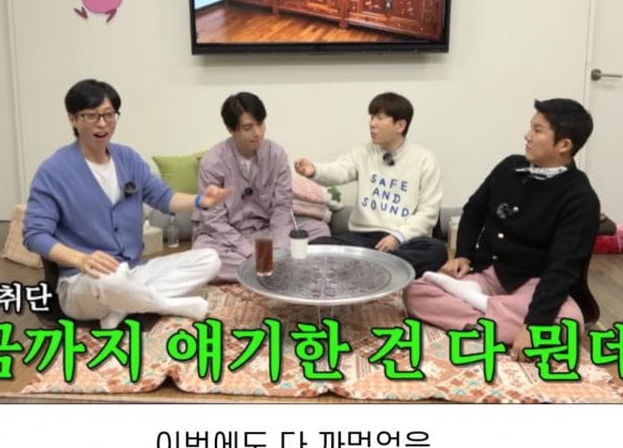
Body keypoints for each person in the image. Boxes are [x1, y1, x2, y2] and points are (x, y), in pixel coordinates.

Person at [23, 79, 230, 328]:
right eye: (92, 116)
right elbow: (34, 235)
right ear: (73, 119)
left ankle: (121, 307)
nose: (102, 123)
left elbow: (164, 198)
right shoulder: (53, 171)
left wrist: (200, 200)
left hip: (133, 269)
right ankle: (169, 304)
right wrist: (80, 259)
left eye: (109, 114)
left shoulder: (128, 158)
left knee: (210, 259)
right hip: (83, 281)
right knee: (111, 281)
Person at [404, 97, 600, 357]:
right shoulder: (510, 166)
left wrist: (534, 325)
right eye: (530, 127)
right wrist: (463, 254)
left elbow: (562, 269)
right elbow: (473, 210)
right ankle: (496, 320)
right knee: (415, 291)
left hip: (532, 283)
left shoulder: (580, 197)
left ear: (564, 145)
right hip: (487, 272)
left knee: (569, 323)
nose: (527, 136)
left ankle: (480, 312)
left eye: (537, 130)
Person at [294, 91, 446, 277]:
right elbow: (341, 170)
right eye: (372, 117)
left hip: (403, 240)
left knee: (437, 251)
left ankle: (368, 268)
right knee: (316, 247)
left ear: (400, 125)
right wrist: (314, 170)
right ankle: (383, 270)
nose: (372, 123)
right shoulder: (364, 152)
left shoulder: (425, 160)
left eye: (380, 118)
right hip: (363, 239)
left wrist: (398, 237)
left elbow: (428, 213)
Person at [192, 91, 329, 280]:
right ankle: (279, 267)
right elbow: (214, 221)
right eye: (248, 127)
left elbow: (282, 208)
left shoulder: (277, 155)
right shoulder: (212, 162)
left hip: (267, 233)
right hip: (227, 238)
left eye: (260, 124)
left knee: (319, 230)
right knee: (202, 256)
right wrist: (250, 252)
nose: (257, 133)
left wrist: (278, 248)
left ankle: (262, 268)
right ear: (231, 129)